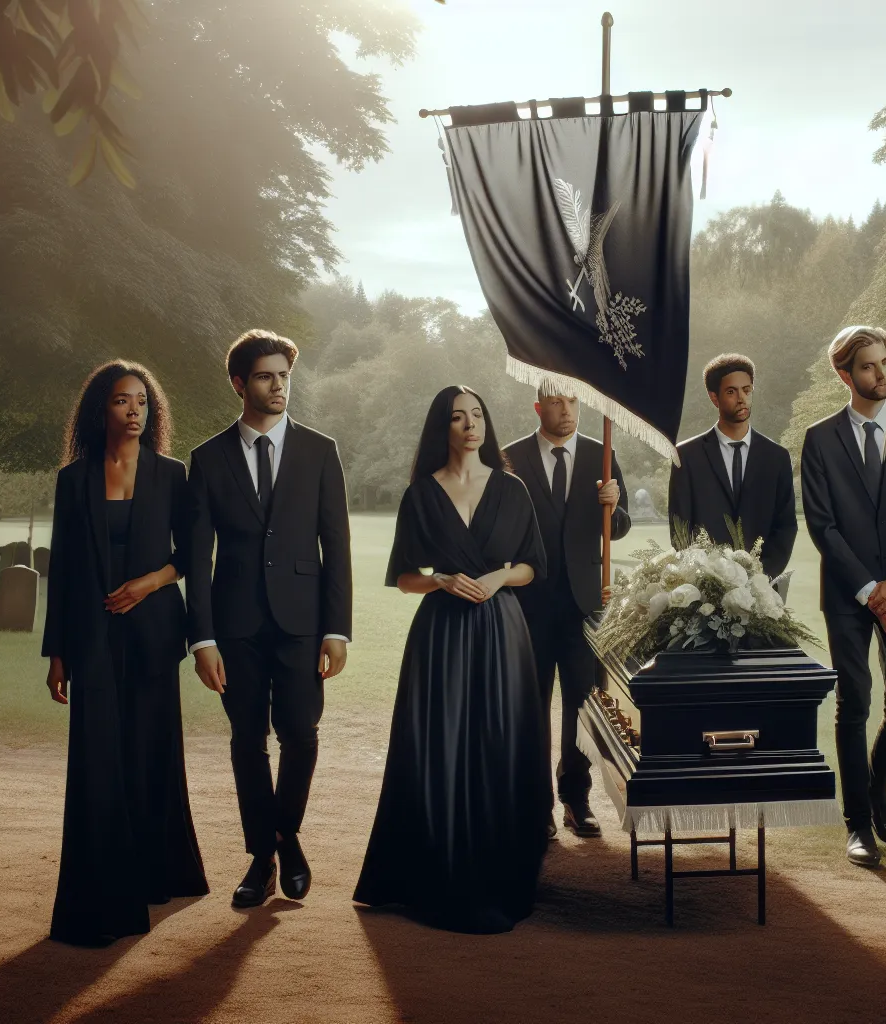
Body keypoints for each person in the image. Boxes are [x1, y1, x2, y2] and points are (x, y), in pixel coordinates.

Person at [354, 385, 551, 934]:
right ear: (442, 427)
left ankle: (498, 871)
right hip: (441, 635)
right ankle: (434, 872)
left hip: (501, 631)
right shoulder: (421, 494)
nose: (471, 425)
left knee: (497, 743)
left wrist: (499, 576)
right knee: (436, 746)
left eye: (478, 415)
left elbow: (534, 565)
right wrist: (439, 579)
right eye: (459, 417)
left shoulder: (511, 489)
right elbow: (402, 577)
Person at [185, 330, 353, 910]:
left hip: (304, 621)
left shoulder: (320, 450)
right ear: (240, 384)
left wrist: (337, 628)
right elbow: (196, 557)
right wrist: (202, 637)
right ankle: (264, 855)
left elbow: (337, 543)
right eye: (265, 376)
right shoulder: (206, 460)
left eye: (284, 375)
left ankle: (286, 834)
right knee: (246, 740)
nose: (278, 385)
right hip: (234, 626)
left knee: (301, 735)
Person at [43, 360, 208, 946]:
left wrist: (149, 583)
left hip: (154, 634)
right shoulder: (73, 479)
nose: (134, 410)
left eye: (142, 401)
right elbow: (60, 569)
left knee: (148, 754)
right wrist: (56, 653)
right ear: (100, 409)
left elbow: (191, 555)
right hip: (89, 637)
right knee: (97, 757)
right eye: (121, 400)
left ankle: (155, 874)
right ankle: (102, 883)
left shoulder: (171, 474)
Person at [799, 326, 886, 868]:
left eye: (884, 364)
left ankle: (876, 784)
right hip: (847, 593)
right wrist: (868, 591)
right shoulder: (820, 438)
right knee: (853, 703)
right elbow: (823, 524)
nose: (880, 375)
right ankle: (858, 823)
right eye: (867, 367)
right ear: (844, 374)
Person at [502, 378, 629, 839]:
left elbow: (620, 528)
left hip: (583, 605)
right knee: (529, 707)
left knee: (581, 705)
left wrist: (613, 509)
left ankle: (576, 798)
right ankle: (536, 806)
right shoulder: (510, 456)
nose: (565, 410)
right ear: (539, 407)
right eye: (555, 402)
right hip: (526, 603)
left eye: (572, 401)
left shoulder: (603, 452)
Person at [667, 353, 797, 579]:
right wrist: (707, 581)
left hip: (764, 588)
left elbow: (785, 527)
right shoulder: (686, 456)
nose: (741, 398)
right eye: (731, 391)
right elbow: (680, 530)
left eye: (747, 390)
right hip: (703, 590)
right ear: (714, 398)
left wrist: (761, 577)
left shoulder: (776, 457)